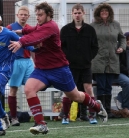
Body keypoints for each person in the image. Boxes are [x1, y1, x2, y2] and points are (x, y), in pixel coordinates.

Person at [9, 2, 107, 135]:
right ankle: (41, 123)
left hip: (59, 69)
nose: (37, 18)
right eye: (36, 15)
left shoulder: (51, 26)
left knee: (76, 96)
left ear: (49, 15)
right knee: (29, 89)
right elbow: (34, 30)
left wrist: (21, 41)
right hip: (42, 69)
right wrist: (20, 31)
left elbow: (36, 36)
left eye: (40, 15)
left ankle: (96, 106)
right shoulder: (41, 25)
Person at [60, 3, 98, 124]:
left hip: (86, 66)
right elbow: (61, 47)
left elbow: (95, 47)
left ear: (83, 13)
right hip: (70, 66)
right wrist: (67, 59)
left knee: (88, 89)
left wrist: (88, 58)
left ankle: (92, 115)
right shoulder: (65, 30)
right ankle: (65, 116)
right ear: (72, 14)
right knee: (69, 90)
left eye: (79, 13)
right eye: (75, 13)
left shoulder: (90, 30)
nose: (77, 15)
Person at [90, 3, 126, 118]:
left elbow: (122, 38)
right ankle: (101, 111)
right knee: (101, 86)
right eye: (102, 11)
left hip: (113, 60)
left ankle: (108, 111)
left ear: (109, 13)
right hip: (98, 60)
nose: (104, 13)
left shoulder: (116, 24)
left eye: (106, 11)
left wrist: (122, 47)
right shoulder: (93, 26)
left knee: (108, 86)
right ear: (98, 13)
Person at [6, 6, 35, 126]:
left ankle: (37, 118)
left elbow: (33, 48)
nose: (23, 16)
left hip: (28, 62)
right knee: (13, 89)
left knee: (33, 88)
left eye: (25, 15)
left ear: (28, 16)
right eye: (21, 14)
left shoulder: (31, 29)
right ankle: (13, 118)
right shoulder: (10, 28)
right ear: (17, 15)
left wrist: (36, 63)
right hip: (15, 61)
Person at [113, 32, 129, 110]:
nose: (128, 41)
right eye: (127, 39)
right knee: (127, 82)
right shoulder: (119, 49)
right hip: (117, 73)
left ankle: (119, 98)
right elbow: (118, 65)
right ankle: (126, 107)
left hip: (126, 73)